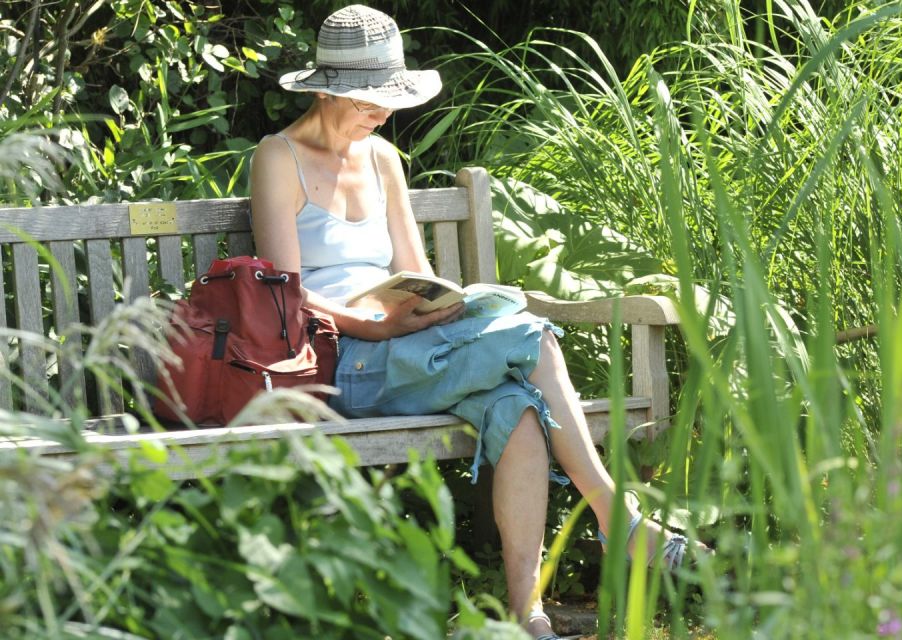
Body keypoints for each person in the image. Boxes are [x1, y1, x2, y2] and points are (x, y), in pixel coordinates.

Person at [249, 6, 701, 638]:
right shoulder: (279, 157)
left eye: (386, 100)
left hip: (407, 346)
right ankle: (616, 516)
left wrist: (443, 304)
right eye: (366, 100)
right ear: (327, 88)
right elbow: (283, 295)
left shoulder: (382, 159)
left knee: (516, 405)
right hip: (335, 361)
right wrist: (375, 327)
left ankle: (528, 617)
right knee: (531, 334)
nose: (381, 113)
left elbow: (414, 269)